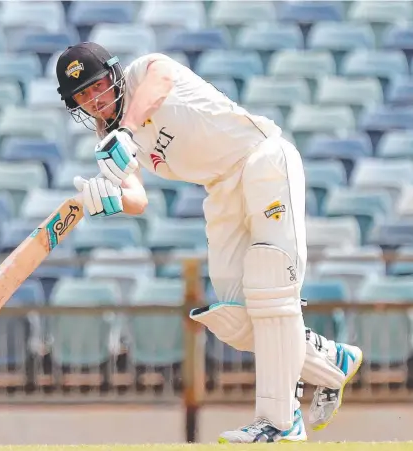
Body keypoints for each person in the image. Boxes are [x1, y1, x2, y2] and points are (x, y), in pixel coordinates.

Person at [55, 42, 363, 443]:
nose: (94, 101)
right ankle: (329, 362)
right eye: (82, 97)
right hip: (220, 191)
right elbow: (137, 198)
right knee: (234, 318)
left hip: (260, 158)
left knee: (271, 290)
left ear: (112, 75)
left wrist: (128, 132)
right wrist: (103, 199)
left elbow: (162, 77)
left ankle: (280, 421)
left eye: (96, 87)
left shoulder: (143, 73)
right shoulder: (111, 141)